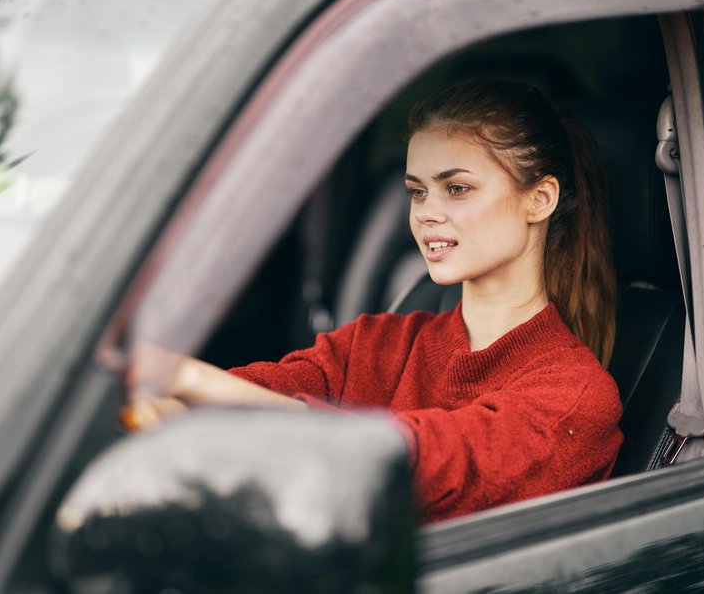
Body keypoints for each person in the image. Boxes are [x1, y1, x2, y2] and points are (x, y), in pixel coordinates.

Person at [125, 79, 623, 524]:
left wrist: (187, 377)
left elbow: (418, 465)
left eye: (456, 188)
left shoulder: (575, 398)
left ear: (540, 199)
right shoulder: (380, 341)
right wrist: (176, 402)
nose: (427, 213)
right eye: (417, 192)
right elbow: (268, 387)